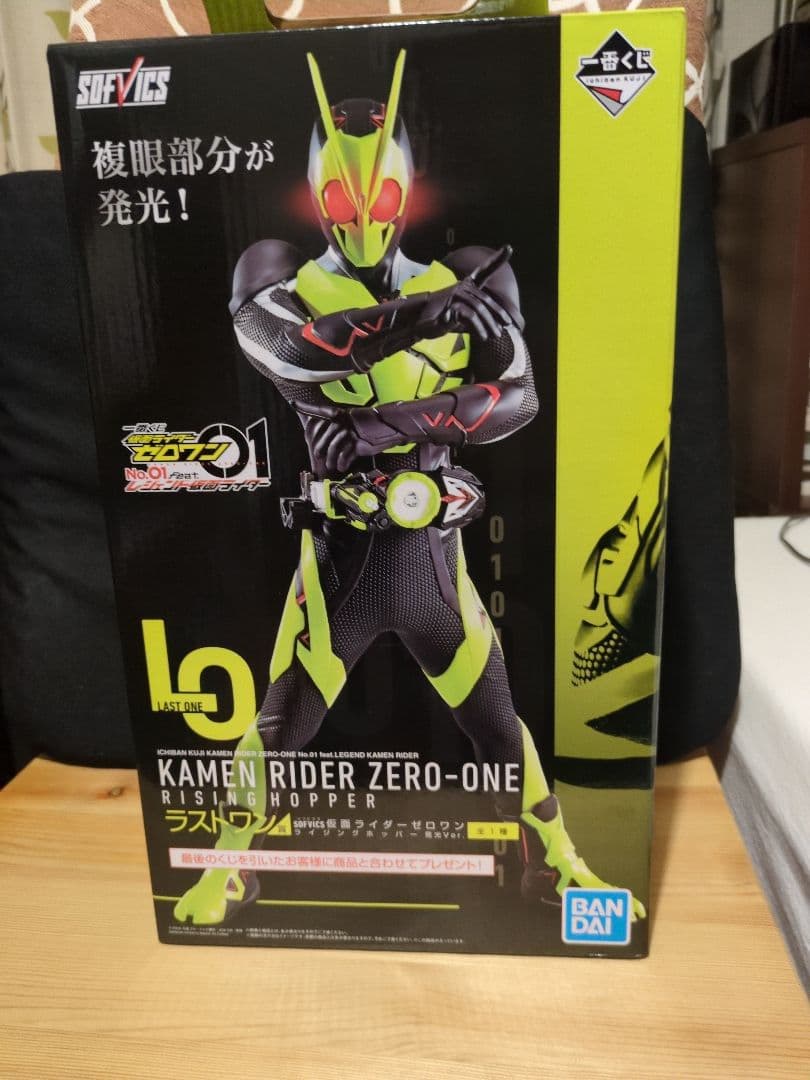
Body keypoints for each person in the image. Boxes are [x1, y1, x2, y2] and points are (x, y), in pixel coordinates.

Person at [174, 50, 645, 927]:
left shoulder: (466, 272)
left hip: (433, 560)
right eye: (342, 197)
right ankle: (226, 869)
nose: (363, 216)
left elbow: (519, 399)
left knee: (500, 728)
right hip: (338, 563)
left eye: (381, 196)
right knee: (277, 729)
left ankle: (560, 863)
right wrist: (431, 324)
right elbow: (296, 351)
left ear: (407, 191)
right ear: (317, 195)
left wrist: (376, 426)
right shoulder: (280, 274)